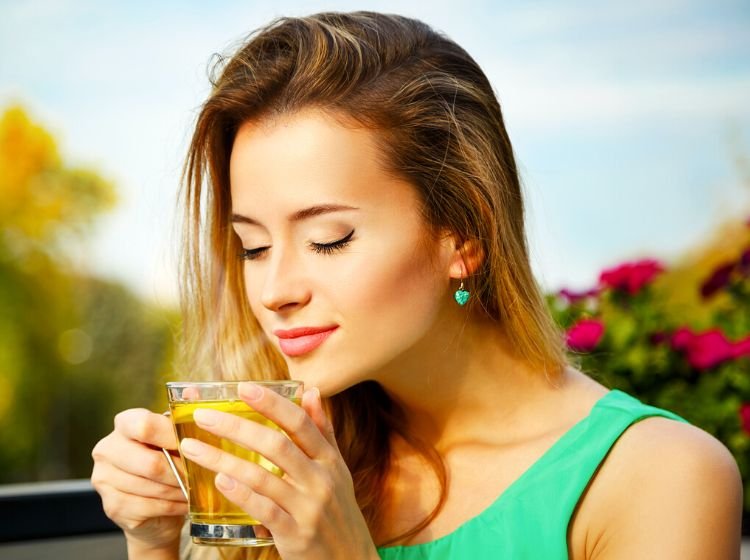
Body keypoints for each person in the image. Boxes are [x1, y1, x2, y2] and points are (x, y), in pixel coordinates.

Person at [90, 11, 744, 560]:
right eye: (252, 247)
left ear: (463, 235)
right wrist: (155, 544)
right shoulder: (293, 464)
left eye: (329, 239)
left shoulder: (660, 479)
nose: (273, 289)